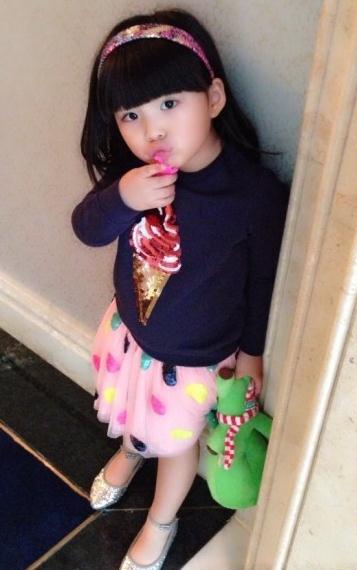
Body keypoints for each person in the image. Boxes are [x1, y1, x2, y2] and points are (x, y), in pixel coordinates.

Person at [71, 8, 289, 570]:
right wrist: (123, 196)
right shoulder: (134, 177)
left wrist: (253, 354)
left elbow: (263, 281)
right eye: (132, 115)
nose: (154, 131)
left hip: (192, 361)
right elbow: (87, 229)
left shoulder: (253, 195)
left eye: (170, 104)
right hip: (132, 335)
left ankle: (160, 520)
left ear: (213, 97)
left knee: (174, 442)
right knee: (131, 411)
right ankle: (130, 451)